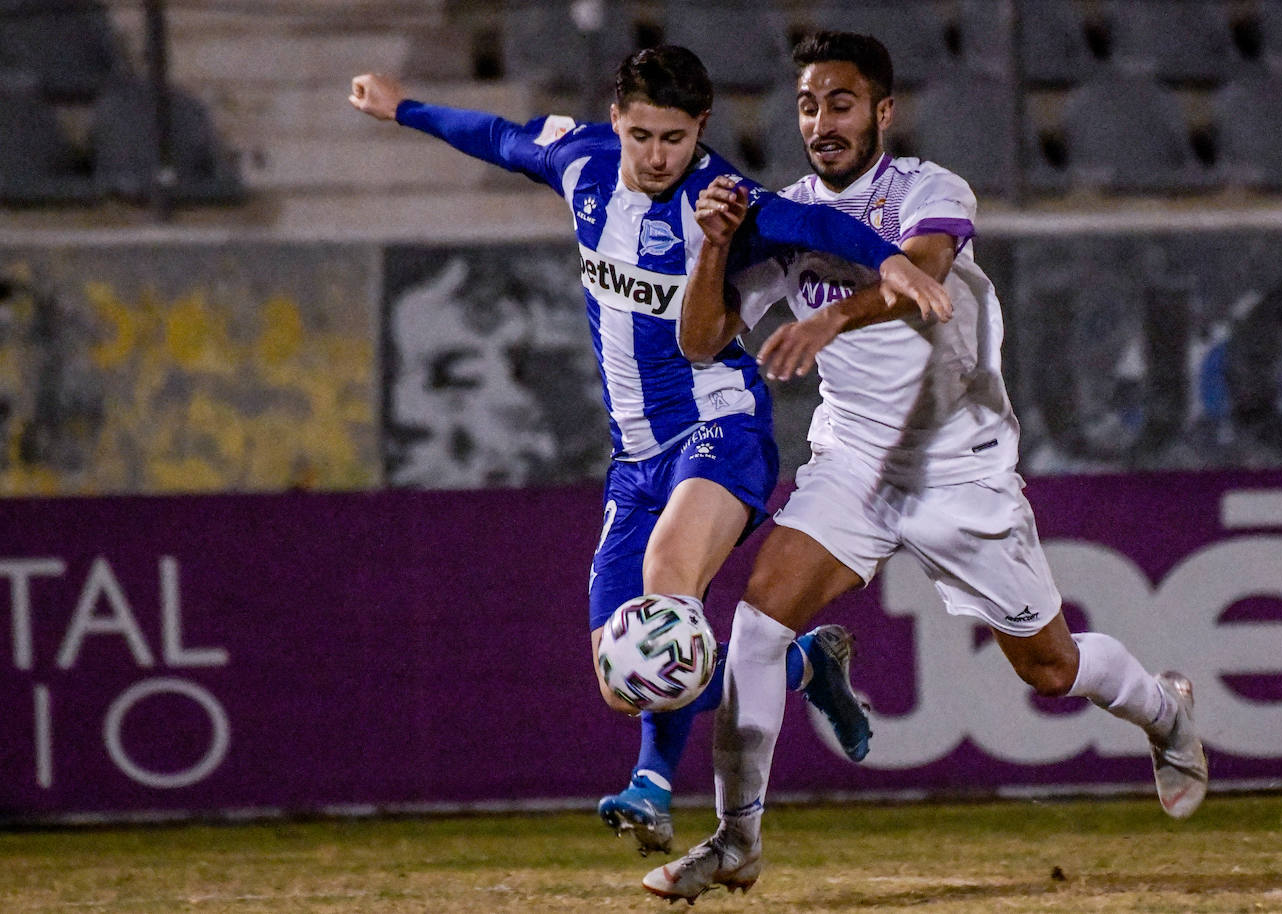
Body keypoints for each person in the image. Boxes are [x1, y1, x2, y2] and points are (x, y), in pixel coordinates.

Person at [642, 31, 1209, 902]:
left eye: (840, 103)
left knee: (1050, 670)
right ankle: (735, 841)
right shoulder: (779, 214)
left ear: (882, 111)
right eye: (807, 105)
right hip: (854, 462)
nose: (822, 122)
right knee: (756, 631)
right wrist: (716, 244)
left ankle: (1164, 711)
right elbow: (701, 340)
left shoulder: (928, 188)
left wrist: (829, 320)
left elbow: (924, 275)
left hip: (958, 466)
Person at [348, 46, 951, 856]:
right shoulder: (581, 165)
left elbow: (813, 222)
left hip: (719, 425)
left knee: (666, 592)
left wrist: (889, 263)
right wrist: (404, 109)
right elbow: (496, 136)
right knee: (620, 674)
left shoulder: (721, 198)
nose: (658, 155)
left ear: (701, 128)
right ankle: (808, 666)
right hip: (633, 457)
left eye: (674, 137)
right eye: (642, 136)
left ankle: (652, 786)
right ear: (615, 123)